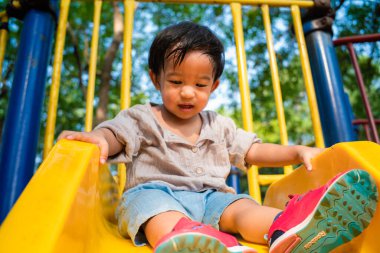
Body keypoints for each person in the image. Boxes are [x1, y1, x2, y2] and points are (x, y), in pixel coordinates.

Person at [58, 21, 378, 253]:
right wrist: (100, 138)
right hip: (157, 193)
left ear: (213, 86)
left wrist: (294, 152)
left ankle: (288, 228)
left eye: (199, 84)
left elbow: (253, 150)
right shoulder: (142, 116)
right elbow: (117, 134)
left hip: (213, 199)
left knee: (241, 208)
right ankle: (193, 243)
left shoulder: (219, 124)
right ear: (157, 79)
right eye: (176, 81)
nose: (187, 92)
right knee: (150, 208)